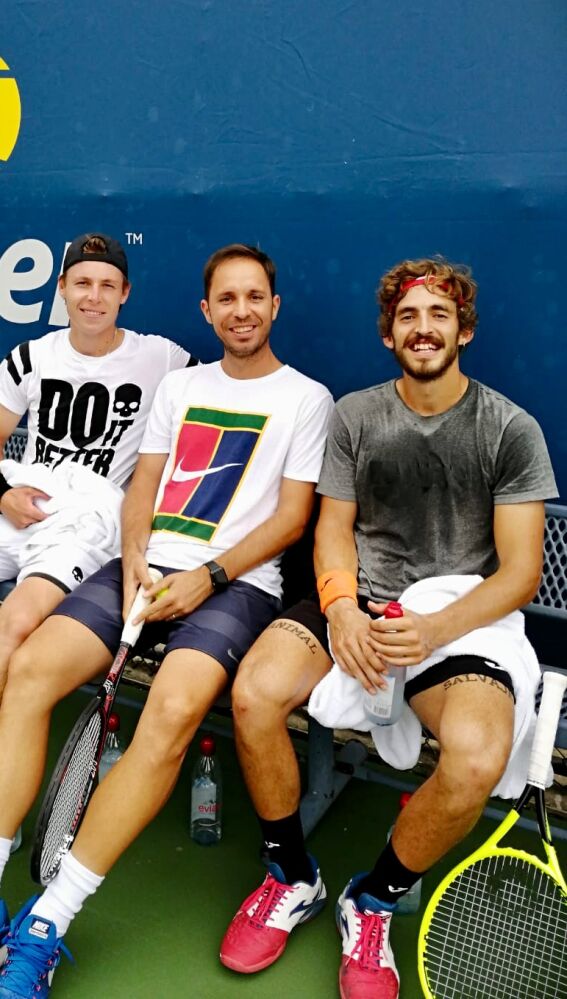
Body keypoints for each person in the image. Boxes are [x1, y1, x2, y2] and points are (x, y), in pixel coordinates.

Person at [219, 258, 558, 998]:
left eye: (438, 314)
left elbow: (519, 573)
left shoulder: (510, 427)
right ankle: (290, 873)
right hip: (357, 603)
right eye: (407, 316)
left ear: (463, 329)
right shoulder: (354, 414)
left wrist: (434, 629)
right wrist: (341, 606)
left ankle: (370, 898)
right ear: (387, 334)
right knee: (254, 695)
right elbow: (331, 529)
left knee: (472, 758)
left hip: (457, 616)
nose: (422, 328)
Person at [0, 243, 333, 996]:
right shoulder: (180, 384)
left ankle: (48, 921)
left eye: (256, 297)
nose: (242, 310)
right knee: (27, 673)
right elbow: (143, 483)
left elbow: (292, 516)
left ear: (273, 307)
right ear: (205, 310)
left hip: (236, 586)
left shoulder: (307, 397)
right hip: (141, 572)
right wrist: (140, 558)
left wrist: (206, 575)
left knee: (174, 711)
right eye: (227, 298)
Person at [0, 232, 197, 699]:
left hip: (88, 522)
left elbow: (224, 394)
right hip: (20, 505)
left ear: (125, 293)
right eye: (83, 283)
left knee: (17, 621)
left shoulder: (163, 359)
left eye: (108, 285)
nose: (94, 297)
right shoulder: (32, 356)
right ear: (62, 286)